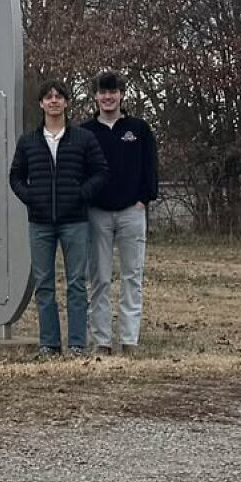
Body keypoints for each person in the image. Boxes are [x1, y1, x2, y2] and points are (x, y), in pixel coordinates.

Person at [9, 80, 107, 357]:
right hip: (39, 221)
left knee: (77, 282)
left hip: (75, 220)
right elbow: (15, 176)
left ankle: (77, 343)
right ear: (41, 103)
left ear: (66, 102)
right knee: (44, 283)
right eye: (48, 97)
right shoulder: (29, 141)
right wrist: (30, 197)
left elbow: (100, 172)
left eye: (58, 97)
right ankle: (49, 343)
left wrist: (81, 194)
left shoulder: (83, 139)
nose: (53, 101)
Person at [82, 69, 159, 356]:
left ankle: (130, 341)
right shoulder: (86, 132)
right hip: (97, 213)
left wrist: (144, 198)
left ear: (122, 95)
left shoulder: (139, 129)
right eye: (103, 92)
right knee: (99, 278)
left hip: (131, 212)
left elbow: (150, 168)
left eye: (112, 92)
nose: (108, 97)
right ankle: (101, 341)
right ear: (96, 96)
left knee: (132, 276)